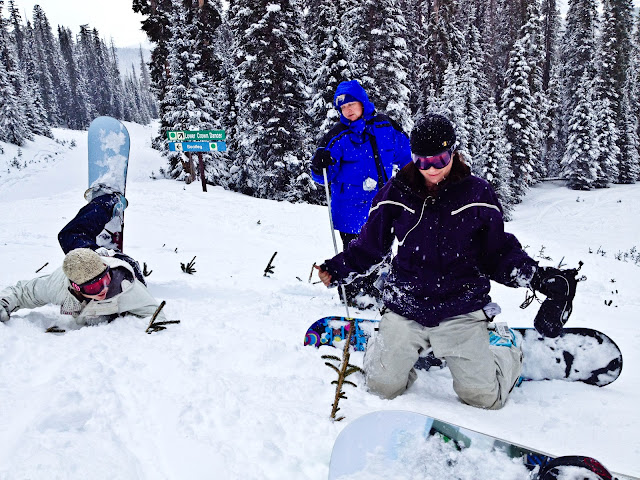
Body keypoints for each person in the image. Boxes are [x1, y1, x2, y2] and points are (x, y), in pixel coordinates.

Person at [315, 113, 577, 410]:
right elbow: (370, 246)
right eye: (422, 161)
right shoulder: (396, 192)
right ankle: (391, 347)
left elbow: (497, 252)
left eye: (439, 159)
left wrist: (536, 277)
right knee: (381, 388)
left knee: (483, 398)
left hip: (460, 306)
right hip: (406, 303)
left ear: (453, 152)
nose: (431, 169)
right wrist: (337, 268)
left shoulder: (477, 193)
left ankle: (505, 347)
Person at [310, 79, 411, 308]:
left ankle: (381, 297)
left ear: (363, 103)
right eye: (343, 107)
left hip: (382, 206)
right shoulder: (337, 137)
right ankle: (354, 300)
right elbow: (322, 177)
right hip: (350, 209)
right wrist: (319, 165)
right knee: (354, 254)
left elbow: (407, 158)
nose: (348, 110)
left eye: (351, 104)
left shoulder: (385, 127)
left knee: (383, 252)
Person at [0, 192, 165, 327]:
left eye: (104, 280)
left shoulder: (126, 288)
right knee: (72, 240)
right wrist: (4, 303)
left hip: (114, 263)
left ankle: (108, 201)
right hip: (89, 261)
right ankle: (100, 244)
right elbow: (25, 293)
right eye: (95, 287)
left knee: (69, 235)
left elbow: (156, 316)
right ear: (76, 287)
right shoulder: (58, 285)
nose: (103, 289)